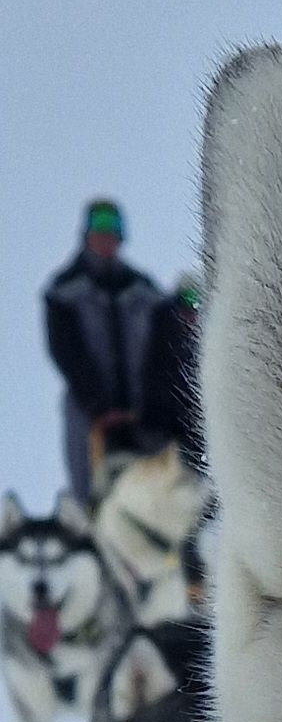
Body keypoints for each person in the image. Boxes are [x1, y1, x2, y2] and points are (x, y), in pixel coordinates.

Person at [42, 200, 162, 501]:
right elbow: (66, 351)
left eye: (112, 232)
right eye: (99, 231)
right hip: (89, 413)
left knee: (153, 495)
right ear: (86, 235)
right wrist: (99, 405)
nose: (106, 239)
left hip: (142, 411)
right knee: (93, 497)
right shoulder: (64, 290)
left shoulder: (143, 289)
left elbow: (162, 346)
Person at [139, 276, 205, 471]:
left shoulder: (206, 343)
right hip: (164, 435)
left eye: (198, 302)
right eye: (188, 301)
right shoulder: (161, 342)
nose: (193, 311)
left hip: (196, 433)